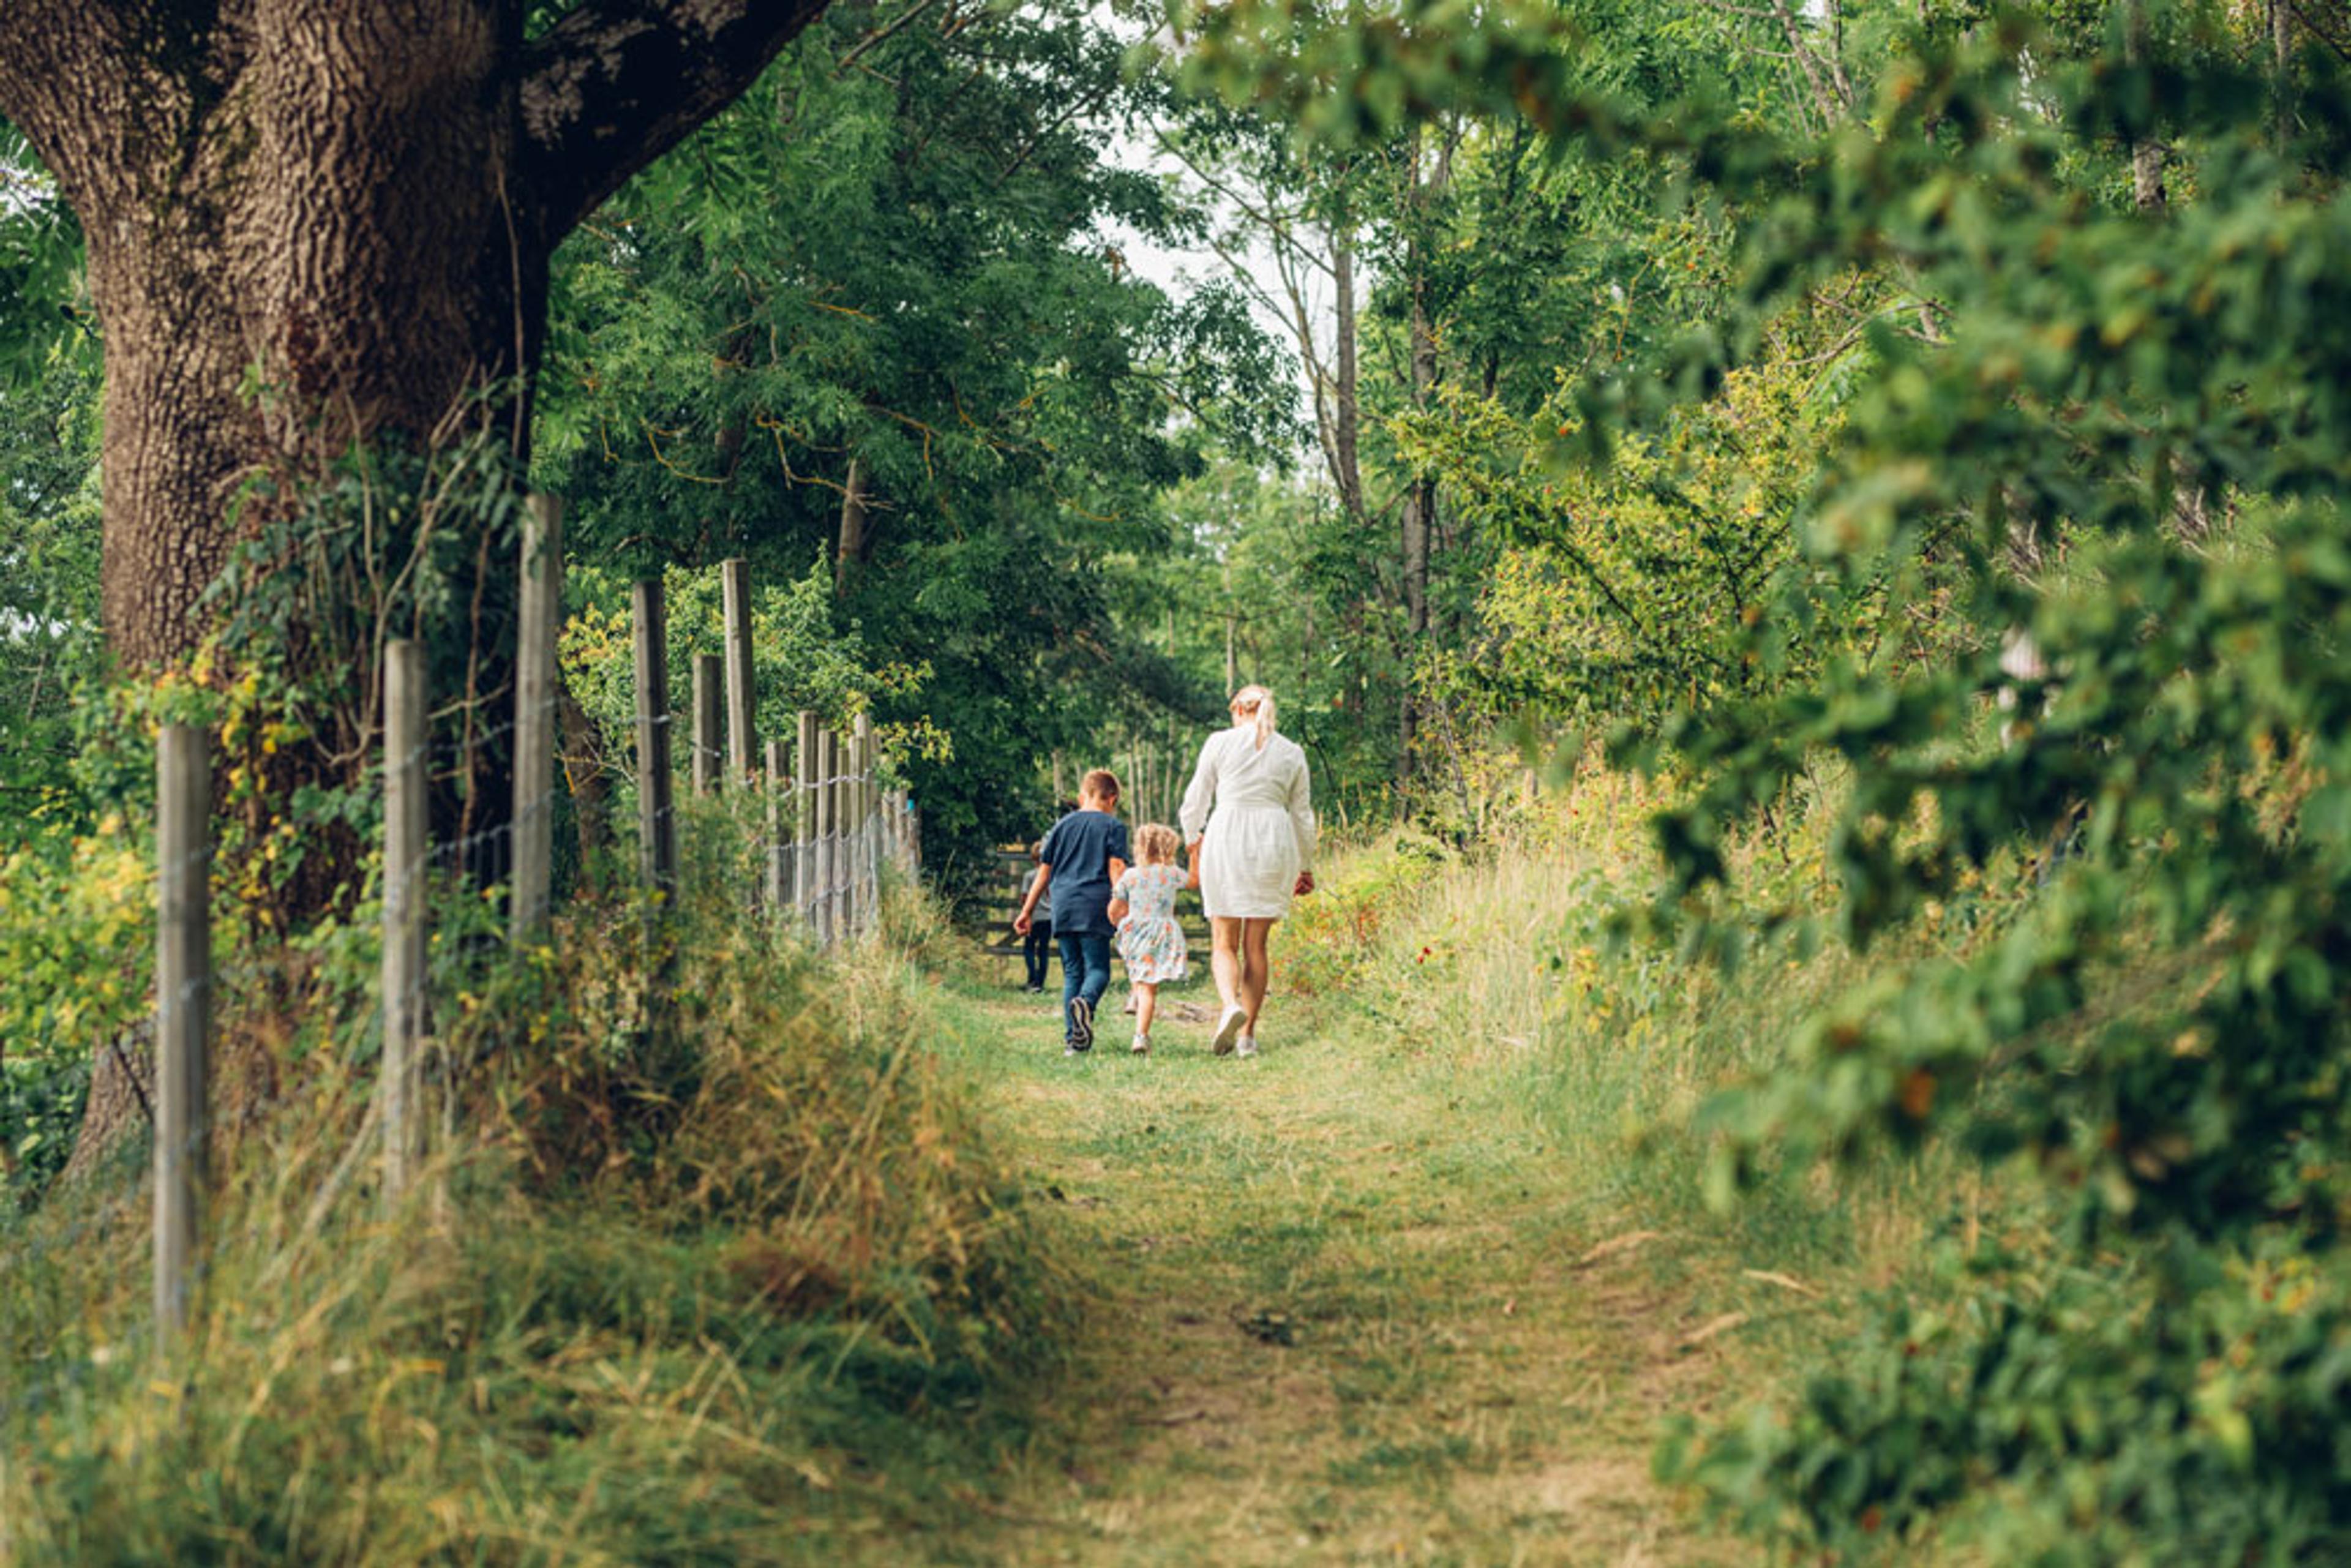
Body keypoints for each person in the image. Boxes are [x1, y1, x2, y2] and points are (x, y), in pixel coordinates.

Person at [1179, 685, 1316, 1059]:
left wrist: (1193, 837)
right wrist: (1306, 865)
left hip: (1227, 835)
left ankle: (1229, 1006)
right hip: (1273, 840)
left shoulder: (1219, 743)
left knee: (1224, 940)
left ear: (1240, 709)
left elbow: (1196, 799)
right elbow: (1302, 815)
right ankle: (1248, 1037)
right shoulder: (1291, 752)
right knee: (1256, 946)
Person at [1014, 771, 1128, 1054]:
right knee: (1099, 968)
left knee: (1072, 973)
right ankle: (1086, 1004)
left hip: (1062, 904)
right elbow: (1116, 868)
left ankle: (1072, 1043)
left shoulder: (1061, 827)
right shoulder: (1113, 826)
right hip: (1095, 903)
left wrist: (1026, 911)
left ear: (1083, 797)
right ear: (1112, 799)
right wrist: (1120, 899)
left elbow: (1044, 873)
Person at [1107, 823, 1190, 1056]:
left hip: (1136, 930)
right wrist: (1196, 854)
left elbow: (1114, 907)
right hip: (1162, 931)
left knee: (1139, 973)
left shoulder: (1131, 875)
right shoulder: (1172, 873)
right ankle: (1141, 1036)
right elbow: (1194, 881)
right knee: (1149, 989)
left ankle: (1135, 999)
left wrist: (1116, 921)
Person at [1018, 836, 1054, 994]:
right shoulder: (1053, 875)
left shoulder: (1030, 875)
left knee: (1029, 948)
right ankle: (1041, 982)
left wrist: (1025, 913)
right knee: (1044, 950)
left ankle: (1032, 980)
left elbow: (1025, 897)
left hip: (1034, 917)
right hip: (1050, 917)